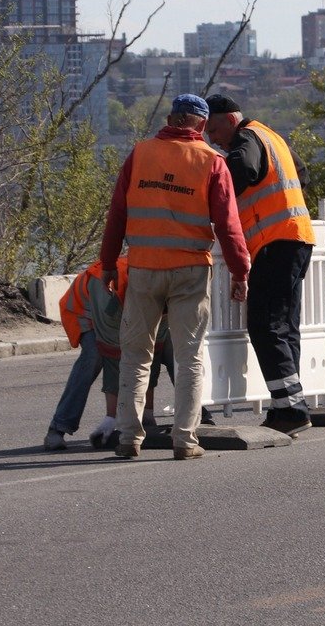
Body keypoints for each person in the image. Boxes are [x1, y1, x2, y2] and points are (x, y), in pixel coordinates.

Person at [101, 93, 250, 460]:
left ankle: (128, 437)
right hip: (190, 271)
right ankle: (184, 440)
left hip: (144, 268)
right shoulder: (212, 161)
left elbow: (117, 214)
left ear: (170, 118)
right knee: (189, 357)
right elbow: (228, 225)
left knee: (136, 355)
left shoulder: (140, 154)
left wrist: (107, 264)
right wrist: (241, 271)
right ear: (200, 124)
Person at [204, 94, 316, 437]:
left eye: (212, 130)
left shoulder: (246, 138)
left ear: (227, 120)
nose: (211, 139)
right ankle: (291, 405)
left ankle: (291, 408)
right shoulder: (272, 135)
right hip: (298, 237)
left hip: (274, 242)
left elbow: (243, 169)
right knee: (285, 326)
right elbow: (304, 175)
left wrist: (217, 198)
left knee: (265, 325)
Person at [43, 257, 174, 451]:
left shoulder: (165, 289)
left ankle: (198, 412)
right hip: (86, 311)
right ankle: (58, 427)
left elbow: (152, 351)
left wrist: (147, 413)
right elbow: (112, 354)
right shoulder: (108, 290)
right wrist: (111, 418)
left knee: (172, 347)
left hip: (129, 306)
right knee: (94, 356)